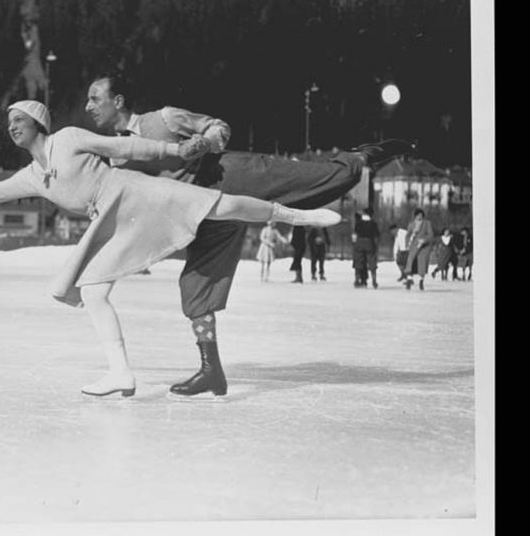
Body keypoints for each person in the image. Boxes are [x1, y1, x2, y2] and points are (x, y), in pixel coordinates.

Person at [0, 100, 341, 399]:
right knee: (92, 290)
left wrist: (173, 148)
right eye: (9, 122)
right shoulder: (34, 176)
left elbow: (123, 145)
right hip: (109, 223)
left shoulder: (68, 139)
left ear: (39, 124)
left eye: (19, 120)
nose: (12, 127)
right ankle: (120, 373)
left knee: (216, 206)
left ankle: (298, 216)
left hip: (133, 193)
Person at [83, 72, 414, 398]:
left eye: (95, 98)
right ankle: (211, 371)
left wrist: (205, 141)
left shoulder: (165, 118)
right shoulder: (117, 157)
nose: (88, 106)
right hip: (204, 214)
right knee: (195, 288)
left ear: (118, 100)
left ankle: (359, 157)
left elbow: (219, 127)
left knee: (313, 182)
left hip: (229, 177)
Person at [402, 208, 434, 290]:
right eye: (417, 215)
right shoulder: (411, 224)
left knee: (421, 264)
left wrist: (424, 240)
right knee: (410, 263)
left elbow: (430, 235)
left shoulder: (427, 223)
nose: (419, 217)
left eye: (421, 215)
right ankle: (409, 280)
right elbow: (407, 235)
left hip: (424, 247)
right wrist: (407, 244)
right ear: (415, 216)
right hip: (413, 246)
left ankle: (421, 281)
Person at [352, 207, 381, 289]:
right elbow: (377, 235)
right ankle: (374, 281)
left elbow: (355, 233)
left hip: (359, 242)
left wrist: (354, 243)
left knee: (358, 261)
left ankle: (357, 280)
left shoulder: (358, 223)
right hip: (369, 243)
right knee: (372, 261)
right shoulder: (373, 224)